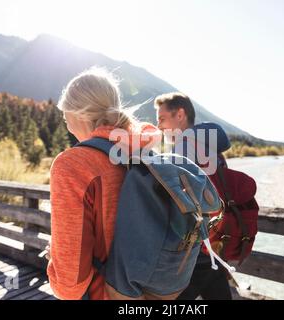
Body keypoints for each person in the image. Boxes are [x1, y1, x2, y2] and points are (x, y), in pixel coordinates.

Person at [46, 67, 160, 300]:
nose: (65, 123)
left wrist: (55, 260)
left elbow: (70, 286)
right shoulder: (146, 152)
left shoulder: (74, 164)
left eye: (64, 115)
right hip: (159, 293)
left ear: (76, 114)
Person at [154, 92, 233, 300]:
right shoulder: (208, 145)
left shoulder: (183, 148)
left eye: (162, 119)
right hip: (215, 240)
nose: (159, 126)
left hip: (193, 249)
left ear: (180, 115)